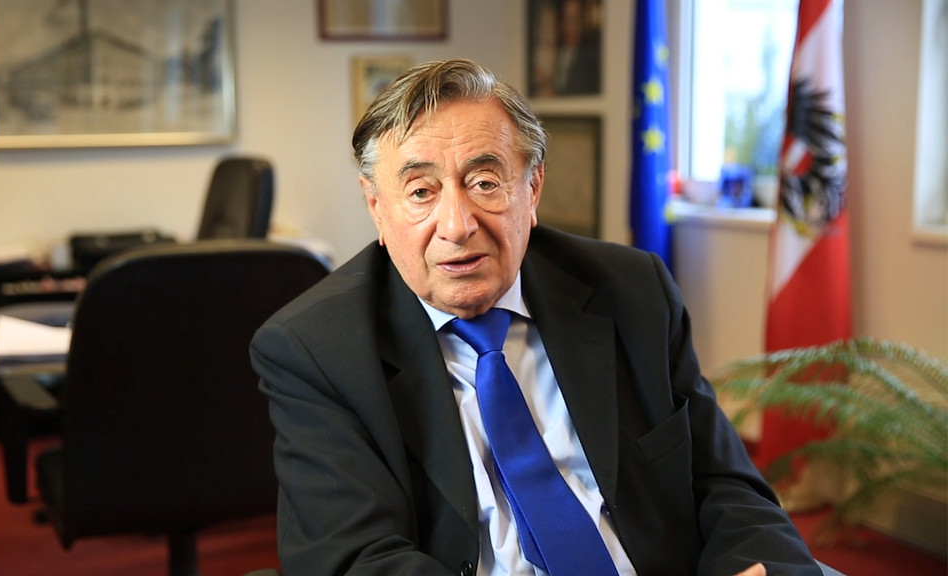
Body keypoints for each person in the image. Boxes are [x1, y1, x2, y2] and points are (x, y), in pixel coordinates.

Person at [250, 59, 821, 576]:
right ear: (377, 207)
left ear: (533, 188)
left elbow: (724, 482)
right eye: (421, 192)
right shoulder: (316, 349)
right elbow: (355, 558)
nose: (457, 225)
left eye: (484, 183)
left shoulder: (631, 292)